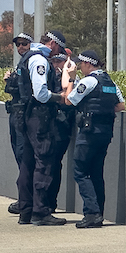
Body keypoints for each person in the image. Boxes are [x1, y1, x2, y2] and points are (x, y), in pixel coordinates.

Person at [15, 30, 68, 226]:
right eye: (60, 48)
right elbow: (40, 93)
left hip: (27, 116)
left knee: (28, 163)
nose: (59, 53)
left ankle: (26, 210)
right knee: (43, 161)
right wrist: (60, 98)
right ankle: (40, 211)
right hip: (39, 117)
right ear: (53, 44)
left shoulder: (28, 58)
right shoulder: (39, 60)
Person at [67, 50, 124, 228]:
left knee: (81, 171)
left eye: (81, 64)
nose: (80, 67)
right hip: (105, 132)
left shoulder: (88, 81)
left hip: (89, 132)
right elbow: (120, 105)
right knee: (96, 173)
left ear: (88, 64)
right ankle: (99, 212)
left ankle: (91, 213)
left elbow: (70, 100)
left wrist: (70, 78)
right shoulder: (110, 82)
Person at [46, 51, 78, 213]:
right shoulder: (50, 76)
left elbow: (67, 96)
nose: (56, 64)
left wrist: (67, 71)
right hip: (47, 125)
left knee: (53, 164)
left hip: (61, 126)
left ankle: (50, 203)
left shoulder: (72, 77)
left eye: (60, 61)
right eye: (54, 61)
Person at [6, 33, 33, 215]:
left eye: (24, 44)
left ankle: (26, 201)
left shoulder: (32, 62)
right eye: (18, 45)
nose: (20, 47)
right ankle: (24, 200)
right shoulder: (21, 65)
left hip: (25, 116)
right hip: (15, 114)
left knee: (24, 158)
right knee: (18, 155)